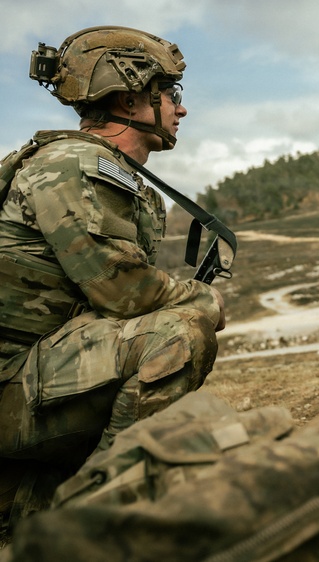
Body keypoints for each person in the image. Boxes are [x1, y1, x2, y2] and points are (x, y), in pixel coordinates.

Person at [0, 26, 224, 524]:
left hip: (26, 378)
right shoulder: (74, 164)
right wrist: (203, 300)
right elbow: (124, 293)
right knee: (176, 335)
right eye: (169, 93)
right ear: (128, 99)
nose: (179, 109)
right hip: (12, 388)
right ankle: (96, 522)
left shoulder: (94, 167)